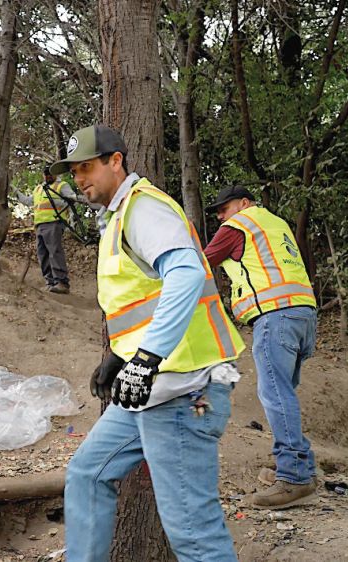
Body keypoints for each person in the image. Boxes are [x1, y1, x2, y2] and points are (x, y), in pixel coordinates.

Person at [56, 125, 245, 562]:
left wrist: (145, 359)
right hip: (153, 390)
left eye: (86, 167)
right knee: (87, 473)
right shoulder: (119, 217)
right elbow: (143, 301)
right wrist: (119, 357)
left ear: (115, 161)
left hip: (184, 388)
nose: (79, 178)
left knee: (194, 534)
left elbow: (186, 275)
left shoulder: (143, 209)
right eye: (74, 171)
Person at [203, 185, 319, 509]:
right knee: (284, 395)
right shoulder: (275, 223)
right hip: (303, 315)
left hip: (276, 315)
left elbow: (199, 263)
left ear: (244, 203)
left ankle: (293, 478)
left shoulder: (239, 225)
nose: (220, 217)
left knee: (276, 397)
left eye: (224, 209)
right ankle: (303, 470)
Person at [15, 166, 84, 293]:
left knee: (54, 251)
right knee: (42, 254)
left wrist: (56, 202)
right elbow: (29, 201)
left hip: (54, 222)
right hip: (39, 225)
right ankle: (50, 281)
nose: (47, 177)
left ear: (55, 174)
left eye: (50, 174)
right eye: (45, 175)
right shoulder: (38, 188)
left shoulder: (61, 186)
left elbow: (70, 199)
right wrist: (16, 193)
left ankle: (61, 282)